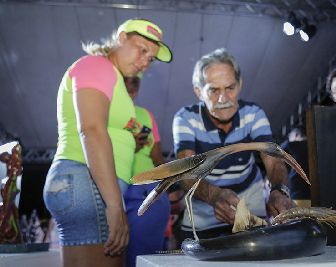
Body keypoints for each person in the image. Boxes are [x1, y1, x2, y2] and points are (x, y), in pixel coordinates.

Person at [43, 19, 172, 267]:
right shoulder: (96, 65)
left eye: (151, 58)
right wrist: (115, 206)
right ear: (121, 38)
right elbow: (90, 130)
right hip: (87, 184)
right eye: (142, 49)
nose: (146, 61)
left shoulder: (113, 78)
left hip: (93, 187)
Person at [172, 48, 294, 240]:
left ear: (240, 84)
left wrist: (280, 191)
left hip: (250, 206)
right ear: (198, 92)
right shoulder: (185, 118)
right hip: (201, 213)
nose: (223, 99)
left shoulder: (254, 114)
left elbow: (273, 160)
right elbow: (185, 174)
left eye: (230, 88)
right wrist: (214, 196)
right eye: (213, 90)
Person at [123, 76, 170, 267]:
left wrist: (171, 183)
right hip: (114, 188)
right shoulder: (103, 114)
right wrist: (128, 146)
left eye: (135, 84)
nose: (131, 88)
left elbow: (158, 158)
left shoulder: (145, 115)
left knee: (143, 257)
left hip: (146, 189)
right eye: (125, 82)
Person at [286, 127, 310, 207]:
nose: (289, 140)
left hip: (300, 197)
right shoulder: (313, 148)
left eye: (290, 137)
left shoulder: (297, 148)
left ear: (296, 135)